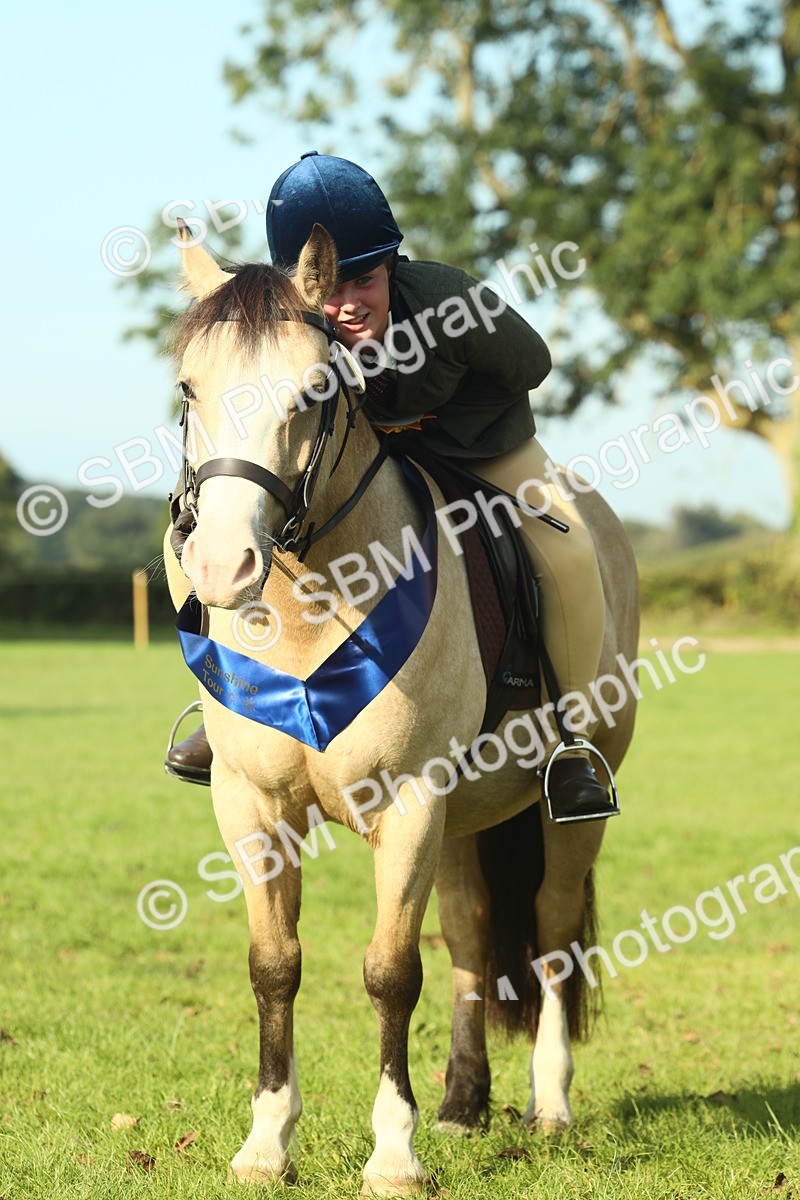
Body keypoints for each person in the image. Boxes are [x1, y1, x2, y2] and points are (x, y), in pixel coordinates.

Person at [164, 151, 612, 821]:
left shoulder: (450, 303)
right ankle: (227, 714)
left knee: (571, 547)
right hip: (348, 463)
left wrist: (436, 414)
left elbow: (532, 364)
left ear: (393, 266)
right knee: (194, 532)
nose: (343, 304)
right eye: (325, 283)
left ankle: (571, 742)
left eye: (364, 281)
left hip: (473, 448)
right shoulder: (290, 322)